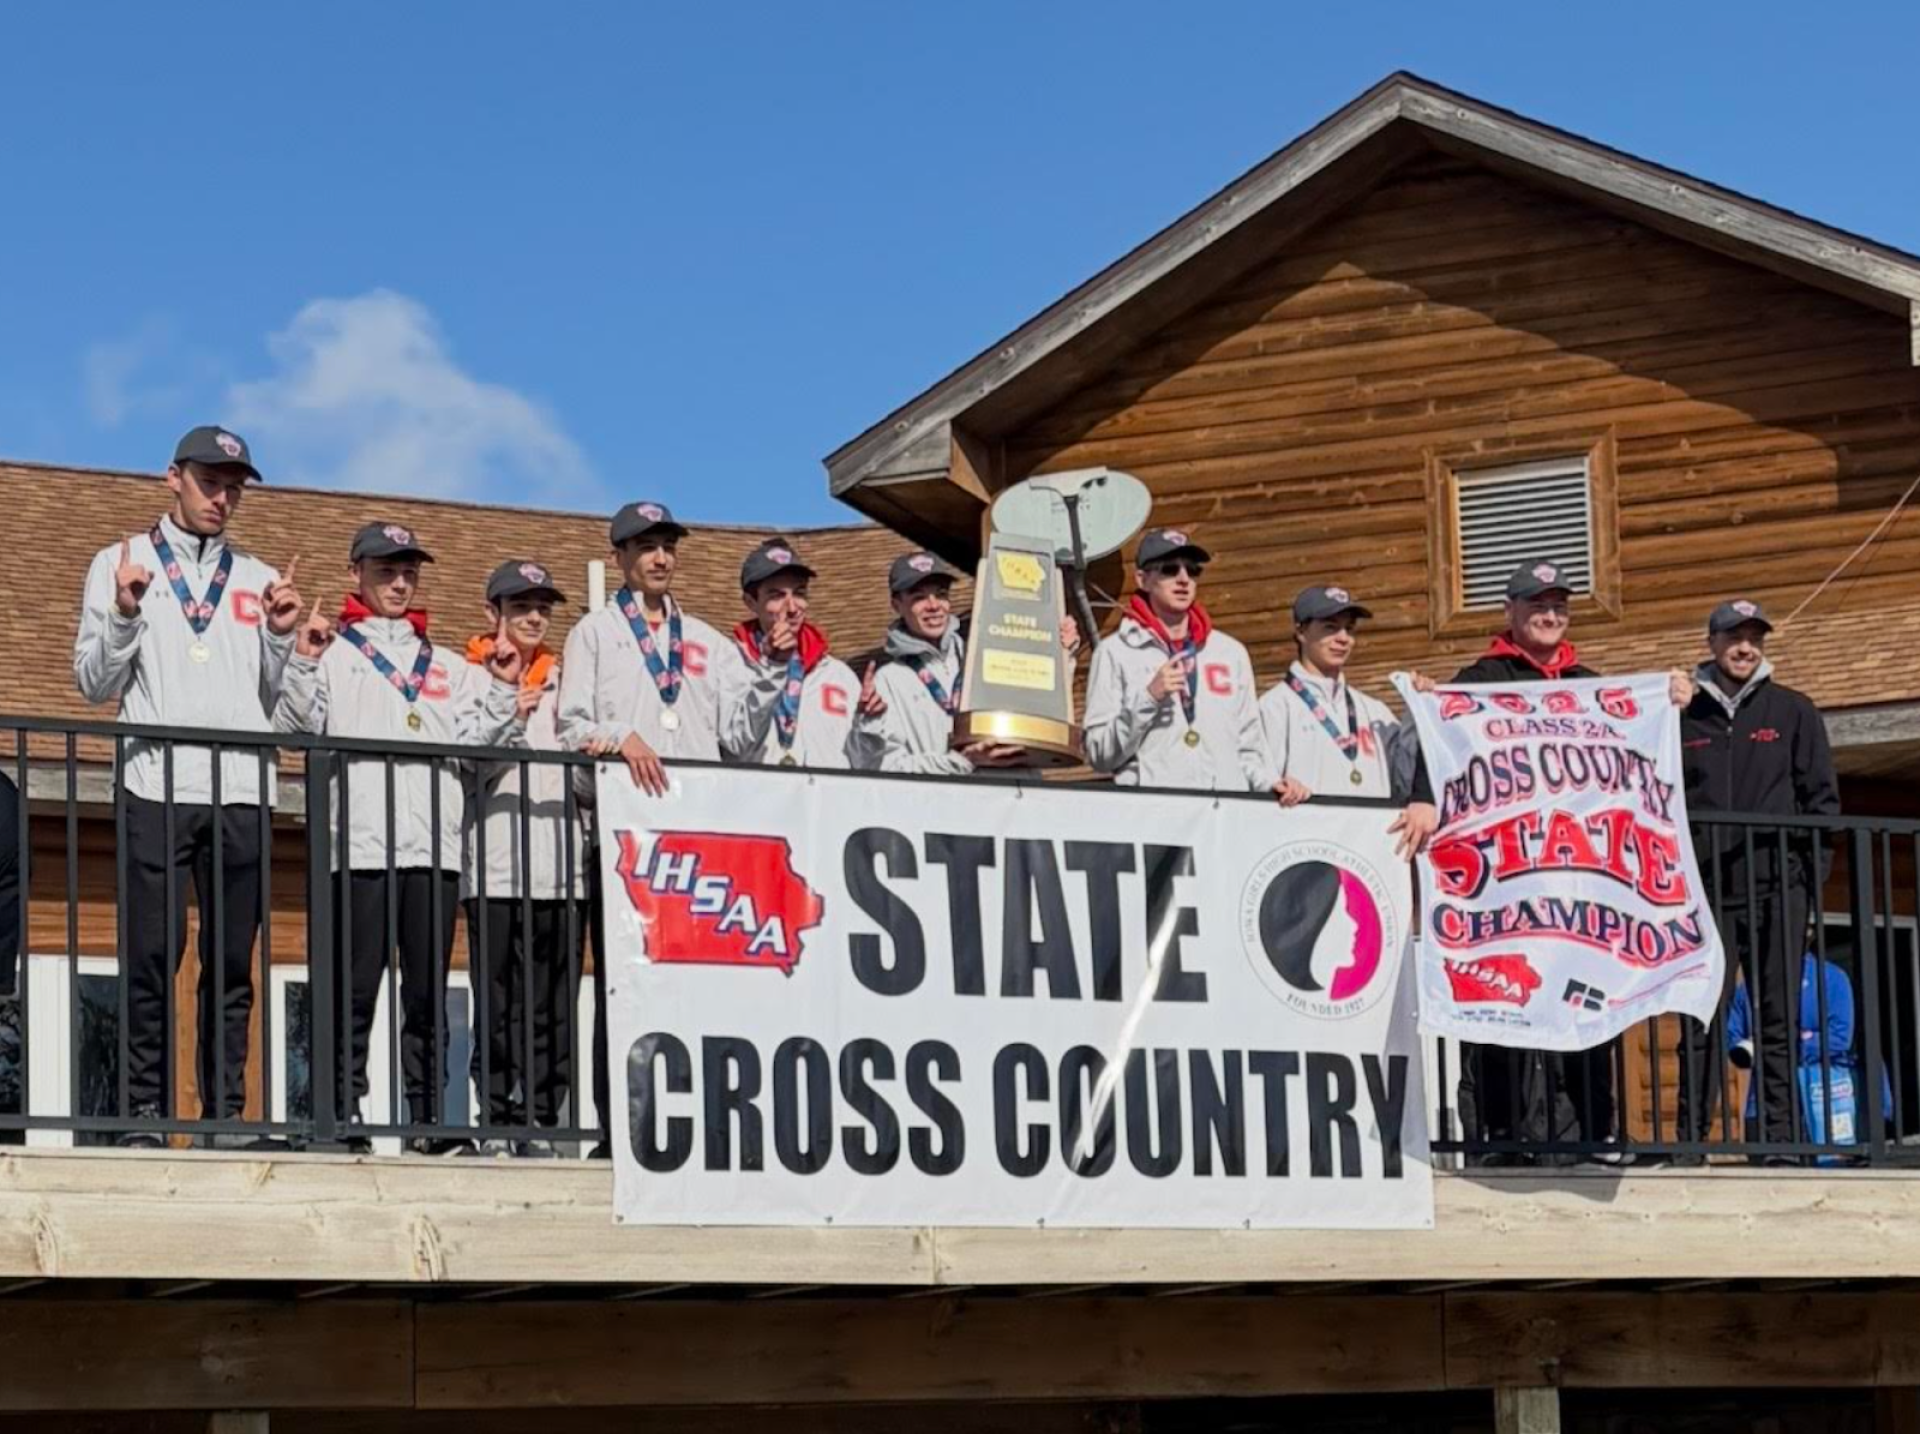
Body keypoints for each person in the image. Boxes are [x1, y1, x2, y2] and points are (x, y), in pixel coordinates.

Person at [1401, 559, 1684, 1163]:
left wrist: (1674, 701)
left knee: (1588, 1000)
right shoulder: (1478, 678)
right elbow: (1441, 742)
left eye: (1558, 606)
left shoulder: (1590, 684)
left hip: (1579, 879)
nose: (1549, 615)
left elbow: (1637, 747)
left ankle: (1590, 1133)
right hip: (1503, 879)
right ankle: (1499, 1139)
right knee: (1500, 999)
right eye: (1536, 605)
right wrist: (1424, 795)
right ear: (1510, 611)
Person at [72, 426, 302, 1147]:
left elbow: (283, 704)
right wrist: (126, 612)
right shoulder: (120, 562)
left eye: (235, 486)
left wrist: (279, 636)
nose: (223, 497)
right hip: (154, 784)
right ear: (173, 478)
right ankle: (143, 1112)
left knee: (233, 963)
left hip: (240, 789)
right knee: (150, 952)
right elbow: (92, 684)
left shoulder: (260, 578)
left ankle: (226, 1116)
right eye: (211, 481)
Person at [275, 522, 525, 1154]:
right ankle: (341, 1114)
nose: (399, 580)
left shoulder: (447, 666)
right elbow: (292, 725)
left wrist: (498, 685)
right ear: (355, 572)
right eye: (386, 569)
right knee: (353, 991)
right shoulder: (332, 649)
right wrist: (302, 659)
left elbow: (482, 744)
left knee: (427, 996)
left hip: (435, 850)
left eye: (408, 570)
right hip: (358, 845)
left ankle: (427, 1120)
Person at [556, 500, 738, 1156]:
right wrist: (619, 737)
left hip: (695, 841)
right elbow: (569, 727)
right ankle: (618, 1130)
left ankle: (697, 1124)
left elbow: (742, 734)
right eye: (645, 547)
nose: (660, 557)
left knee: (693, 986)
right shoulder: (595, 634)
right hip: (623, 840)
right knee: (623, 986)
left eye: (667, 546)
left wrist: (775, 681)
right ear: (620, 559)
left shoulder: (711, 643)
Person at [1675, 599, 1839, 1156]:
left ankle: (1777, 1139)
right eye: (1733, 636)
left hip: (1777, 890)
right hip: (1705, 893)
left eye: (1754, 637)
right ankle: (1690, 1140)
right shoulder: (1682, 713)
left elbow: (1822, 804)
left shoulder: (1794, 711)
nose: (1745, 646)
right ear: (1712, 642)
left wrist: (1805, 882)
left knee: (1777, 1019)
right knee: (1701, 1017)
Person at [462, 560, 584, 1157]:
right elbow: (467, 767)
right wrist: (507, 706)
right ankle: (500, 1117)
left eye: (542, 607)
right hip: (495, 868)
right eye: (520, 607)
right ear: (494, 615)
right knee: (499, 1004)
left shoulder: (571, 678)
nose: (534, 617)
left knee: (553, 1009)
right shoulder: (467, 674)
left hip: (563, 871)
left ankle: (544, 1118)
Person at [1083, 528, 1264, 791]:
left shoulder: (1230, 652)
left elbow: (1251, 745)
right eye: (1169, 569)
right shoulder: (1114, 652)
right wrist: (1148, 698)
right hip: (1156, 815)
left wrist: (1270, 786)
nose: (1183, 579)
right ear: (1143, 580)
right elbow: (1099, 754)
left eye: (1192, 570)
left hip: (1225, 814)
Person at [851, 551, 1019, 774]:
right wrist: (960, 761)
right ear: (897, 605)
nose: (933, 605)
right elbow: (888, 769)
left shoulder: (983, 657)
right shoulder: (889, 680)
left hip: (1005, 801)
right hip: (941, 805)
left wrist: (1063, 654)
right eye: (919, 597)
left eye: (941, 594)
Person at [720, 538, 877, 768]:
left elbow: (864, 764)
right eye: (776, 595)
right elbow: (736, 743)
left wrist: (869, 721)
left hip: (826, 802)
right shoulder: (729, 664)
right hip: (759, 801)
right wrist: (772, 670)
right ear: (751, 602)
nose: (792, 608)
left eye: (799, 593)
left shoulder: (837, 674)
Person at [1258, 585, 1407, 804]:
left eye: (1350, 629)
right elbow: (1259, 782)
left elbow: (1407, 778)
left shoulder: (1375, 711)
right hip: (1307, 834)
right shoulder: (1274, 706)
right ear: (1301, 632)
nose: (1343, 638)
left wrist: (1418, 711)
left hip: (1371, 836)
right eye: (1330, 627)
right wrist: (1279, 786)